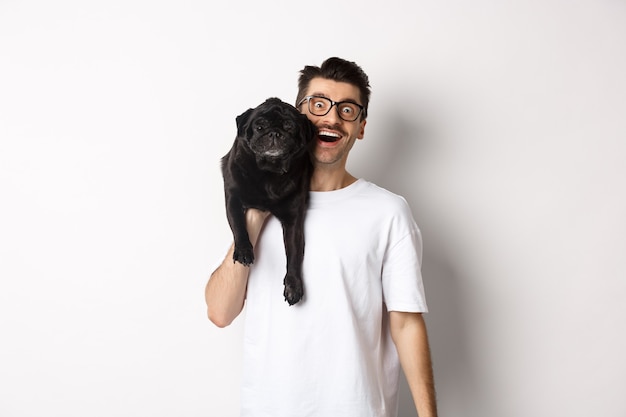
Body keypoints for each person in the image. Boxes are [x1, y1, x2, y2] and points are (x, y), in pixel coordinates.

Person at [205, 57, 437, 417]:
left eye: (347, 110)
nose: (331, 118)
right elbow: (220, 312)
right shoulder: (255, 207)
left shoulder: (388, 211)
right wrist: (254, 217)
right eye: (319, 105)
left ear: (361, 127)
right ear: (299, 117)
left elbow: (406, 323)